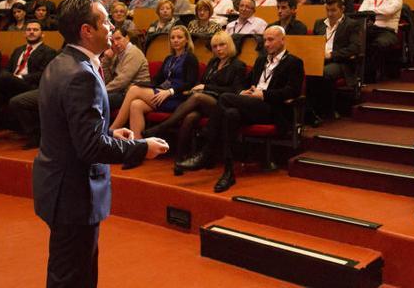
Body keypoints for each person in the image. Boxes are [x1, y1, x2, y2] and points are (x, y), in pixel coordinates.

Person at [32, 0, 167, 288]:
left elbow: (73, 131)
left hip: (57, 186)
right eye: (105, 21)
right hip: (73, 193)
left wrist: (109, 134)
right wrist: (142, 147)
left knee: (68, 270)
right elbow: (90, 147)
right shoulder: (82, 74)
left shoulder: (60, 63)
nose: (111, 26)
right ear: (86, 31)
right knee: (74, 276)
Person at [177, 25, 304, 193]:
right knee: (230, 114)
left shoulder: (294, 62)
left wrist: (264, 94)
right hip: (251, 106)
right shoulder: (260, 61)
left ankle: (207, 150)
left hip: (272, 109)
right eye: (265, 40)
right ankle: (228, 173)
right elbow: (246, 83)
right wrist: (244, 91)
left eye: (271, 40)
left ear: (282, 40)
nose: (266, 44)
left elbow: (292, 91)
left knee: (224, 98)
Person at [143, 31, 247, 174]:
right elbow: (202, 82)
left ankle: (163, 126)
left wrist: (206, 88)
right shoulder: (213, 62)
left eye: (222, 45)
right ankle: (179, 161)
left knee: (198, 98)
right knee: (190, 118)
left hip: (223, 104)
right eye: (215, 46)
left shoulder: (238, 65)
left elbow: (235, 91)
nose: (218, 49)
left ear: (229, 45)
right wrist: (197, 88)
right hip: (205, 102)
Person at [0, 20, 57, 151]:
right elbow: (7, 69)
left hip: (30, 87)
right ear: (24, 33)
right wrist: (11, 77)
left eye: (35, 30)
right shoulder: (18, 50)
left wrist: (21, 77)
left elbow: (44, 74)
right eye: (29, 30)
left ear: (42, 34)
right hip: (11, 85)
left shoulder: (49, 52)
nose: (32, 32)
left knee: (5, 77)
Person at [110, 25, 199, 135]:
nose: (175, 40)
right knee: (135, 105)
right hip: (161, 94)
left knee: (134, 90)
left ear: (186, 40)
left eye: (179, 37)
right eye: (172, 38)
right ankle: (137, 145)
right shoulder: (169, 58)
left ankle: (112, 130)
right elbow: (156, 81)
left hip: (177, 98)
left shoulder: (190, 58)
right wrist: (140, 84)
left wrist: (170, 91)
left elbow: (190, 83)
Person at [308, 0, 361, 119]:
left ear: (342, 9)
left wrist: (331, 55)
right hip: (318, 60)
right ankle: (310, 111)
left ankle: (327, 110)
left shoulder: (351, 24)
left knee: (324, 73)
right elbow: (313, 44)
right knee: (305, 71)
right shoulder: (319, 23)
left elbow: (354, 48)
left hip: (341, 62)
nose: (330, 14)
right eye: (328, 10)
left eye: (333, 10)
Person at [359, 0, 402, 82]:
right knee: (356, 41)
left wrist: (371, 12)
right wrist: (379, 12)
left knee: (377, 44)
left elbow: (390, 10)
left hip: (388, 31)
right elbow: (361, 12)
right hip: (370, 29)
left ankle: (371, 77)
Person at [101, 25, 151, 111]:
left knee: (98, 99)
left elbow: (122, 81)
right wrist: (106, 61)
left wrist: (101, 91)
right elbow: (109, 80)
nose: (115, 44)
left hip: (136, 93)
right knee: (94, 99)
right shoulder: (117, 54)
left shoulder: (133, 52)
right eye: (112, 41)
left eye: (118, 38)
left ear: (127, 38)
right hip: (122, 91)